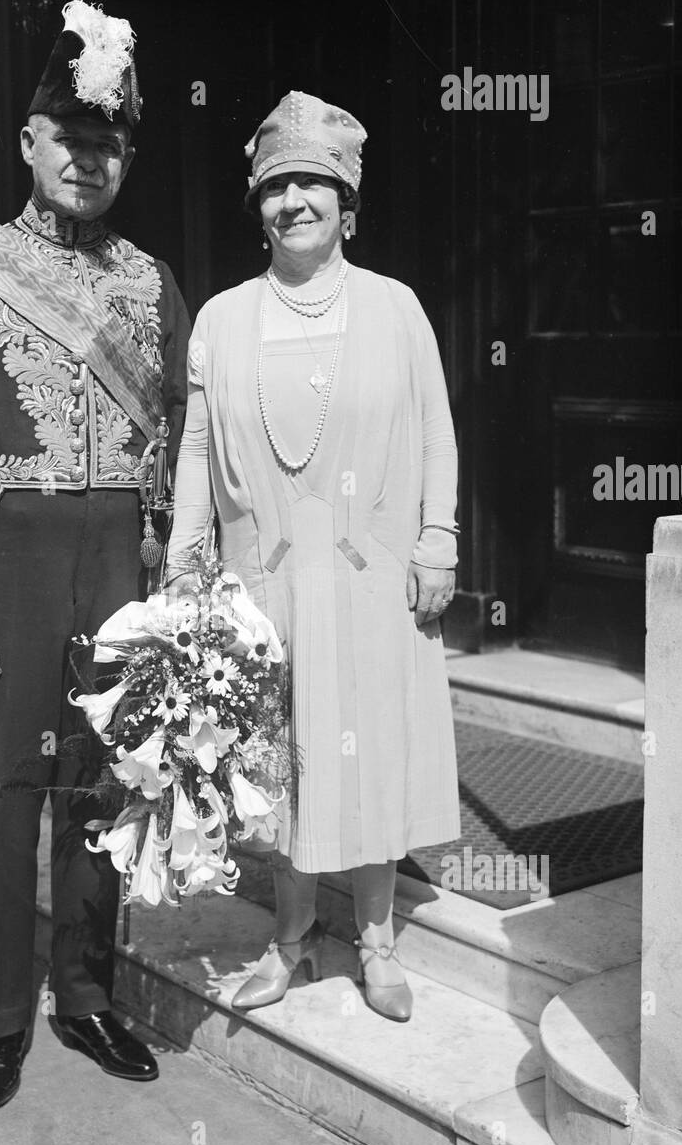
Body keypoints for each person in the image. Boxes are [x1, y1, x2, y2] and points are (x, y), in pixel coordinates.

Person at [0, 0, 190, 1107]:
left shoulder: (153, 283)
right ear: (29, 141)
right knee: (12, 786)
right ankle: (2, 1019)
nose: (88, 157)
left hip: (120, 551)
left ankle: (87, 997)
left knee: (103, 785)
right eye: (69, 135)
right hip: (9, 555)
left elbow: (183, 434)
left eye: (107, 139)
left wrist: (185, 580)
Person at [164, 91, 460, 1023]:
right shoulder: (221, 317)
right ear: (256, 205)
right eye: (276, 185)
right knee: (277, 764)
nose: (294, 200)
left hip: (371, 575)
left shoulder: (396, 308)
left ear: (347, 207)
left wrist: (438, 537)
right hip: (265, 575)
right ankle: (288, 940)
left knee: (365, 748)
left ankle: (373, 939)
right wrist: (183, 560)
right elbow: (199, 448)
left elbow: (436, 431)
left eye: (313, 185)